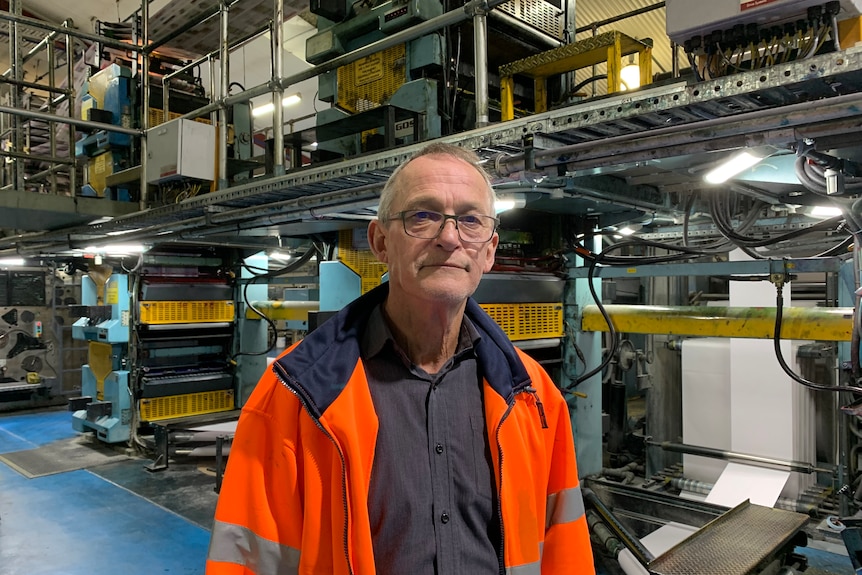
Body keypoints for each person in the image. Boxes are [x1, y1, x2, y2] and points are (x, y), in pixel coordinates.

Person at [206, 142, 595, 574]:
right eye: (422, 216)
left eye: (469, 220)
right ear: (380, 242)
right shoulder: (292, 398)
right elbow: (246, 561)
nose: (449, 238)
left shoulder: (536, 397)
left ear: (488, 251)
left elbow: (565, 550)